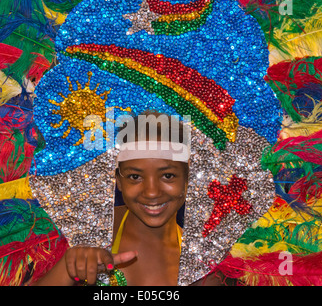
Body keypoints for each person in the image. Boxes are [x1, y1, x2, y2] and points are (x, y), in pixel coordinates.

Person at [33, 111, 229, 286]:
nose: (151, 192)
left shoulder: (209, 260)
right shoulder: (77, 231)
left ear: (187, 178)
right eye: (135, 177)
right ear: (118, 180)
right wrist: (67, 269)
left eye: (167, 175)